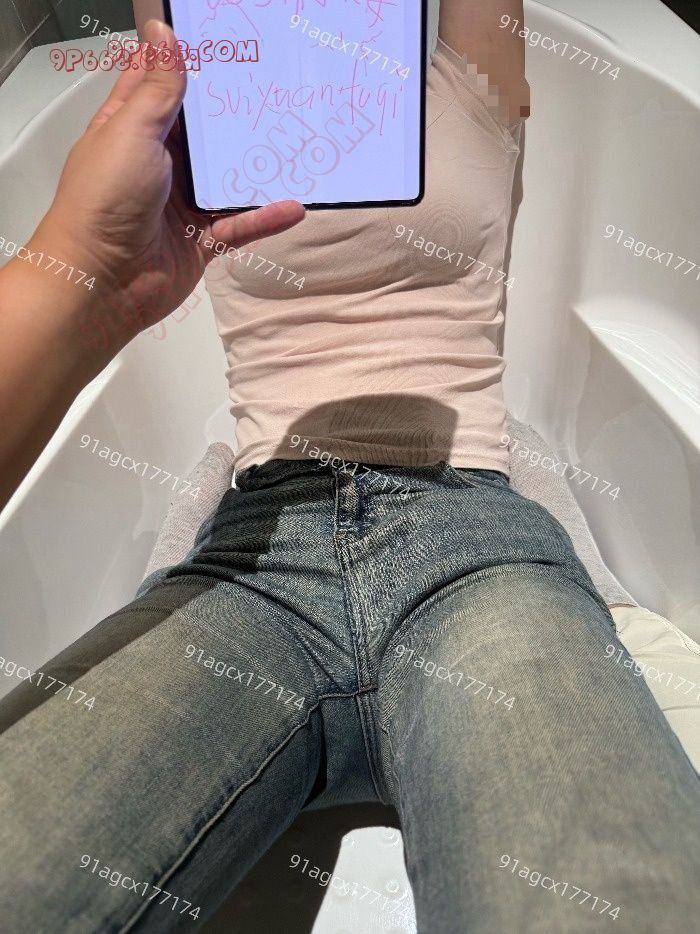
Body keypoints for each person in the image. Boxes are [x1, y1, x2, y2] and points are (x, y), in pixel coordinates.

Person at [0, 4, 698, 933]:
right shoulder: (220, 73)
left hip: (470, 535)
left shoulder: (466, 81)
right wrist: (85, 268)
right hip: (255, 557)